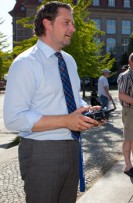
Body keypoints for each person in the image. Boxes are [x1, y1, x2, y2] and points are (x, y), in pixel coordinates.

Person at [3, 2, 100, 202]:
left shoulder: (69, 61)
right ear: (47, 24)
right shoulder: (25, 63)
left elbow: (70, 99)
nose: (73, 29)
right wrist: (66, 121)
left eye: (72, 23)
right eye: (67, 23)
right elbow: (13, 119)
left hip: (73, 147)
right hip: (41, 152)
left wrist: (87, 111)